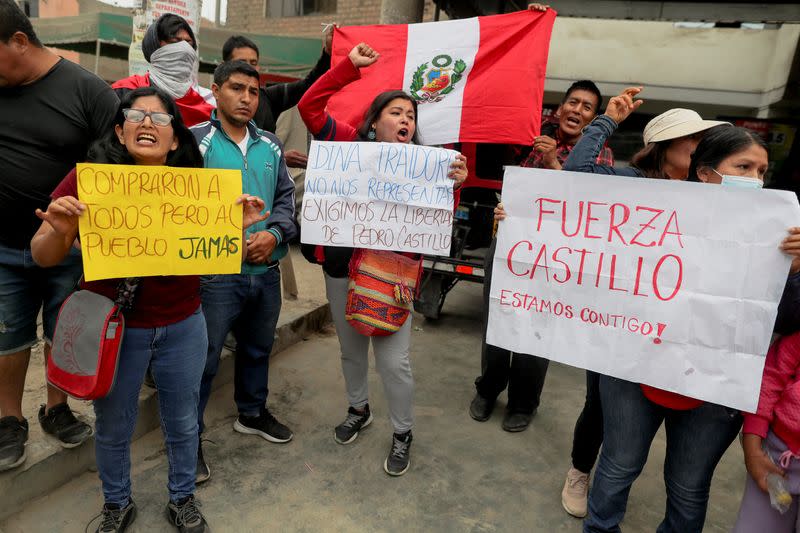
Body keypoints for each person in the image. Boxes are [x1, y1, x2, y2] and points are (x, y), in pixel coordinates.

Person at [30, 86, 268, 533]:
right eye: (136, 116)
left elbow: (217, 253)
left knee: (182, 420)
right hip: (114, 329)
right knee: (113, 423)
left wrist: (233, 227)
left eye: (160, 119)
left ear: (175, 139)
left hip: (183, 325)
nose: (147, 124)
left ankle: (183, 498)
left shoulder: (199, 193)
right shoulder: (89, 182)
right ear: (120, 132)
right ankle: (116, 503)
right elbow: (42, 255)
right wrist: (61, 230)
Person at [563, 98, 799, 531]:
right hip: (636, 367)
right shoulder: (647, 208)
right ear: (706, 172)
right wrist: (526, 220)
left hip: (714, 385)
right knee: (617, 467)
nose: (756, 179)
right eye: (744, 168)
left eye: (762, 172)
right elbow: (576, 195)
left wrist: (797, 272)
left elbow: (785, 320)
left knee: (689, 488)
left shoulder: (779, 237)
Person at [297, 43, 467, 476]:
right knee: (351, 352)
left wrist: (455, 186)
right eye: (395, 112)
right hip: (342, 271)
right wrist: (347, 68)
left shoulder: (430, 166)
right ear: (374, 121)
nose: (405, 119)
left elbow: (437, 220)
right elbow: (309, 106)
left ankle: (403, 432)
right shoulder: (347, 144)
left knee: (395, 362)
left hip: (393, 277)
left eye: (410, 115)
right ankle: (359, 409)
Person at [0, 0, 118, 472]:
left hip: (69, 249)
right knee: (8, 335)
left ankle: (57, 407)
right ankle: (8, 420)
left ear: (19, 42)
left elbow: (117, 168)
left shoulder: (89, 91)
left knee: (63, 329)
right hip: (3, 247)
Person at [470, 79, 613, 432]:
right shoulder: (532, 131)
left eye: (587, 107)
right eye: (573, 103)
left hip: (554, 259)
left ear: (594, 118)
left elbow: (586, 205)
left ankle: (523, 402)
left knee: (538, 328)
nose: (577, 110)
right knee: (497, 320)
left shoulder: (600, 153)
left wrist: (552, 161)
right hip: (508, 245)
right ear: (560, 107)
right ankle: (488, 389)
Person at [190, 61, 298, 484]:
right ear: (215, 91)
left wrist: (272, 234)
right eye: (237, 89)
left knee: (257, 347)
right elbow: (179, 212)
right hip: (214, 276)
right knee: (204, 359)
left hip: (265, 272)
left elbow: (287, 201)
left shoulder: (270, 144)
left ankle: (251, 413)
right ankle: (189, 440)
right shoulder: (194, 144)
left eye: (254, 92)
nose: (247, 98)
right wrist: (230, 237)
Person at [222, 30, 333, 169]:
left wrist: (328, 53)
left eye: (253, 62)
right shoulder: (208, 104)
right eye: (241, 62)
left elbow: (309, 86)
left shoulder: (269, 98)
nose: (248, 68)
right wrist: (278, 156)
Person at [113, 14, 214, 127]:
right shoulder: (124, 91)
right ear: (154, 46)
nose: (184, 49)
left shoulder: (210, 103)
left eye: (188, 43)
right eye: (175, 41)